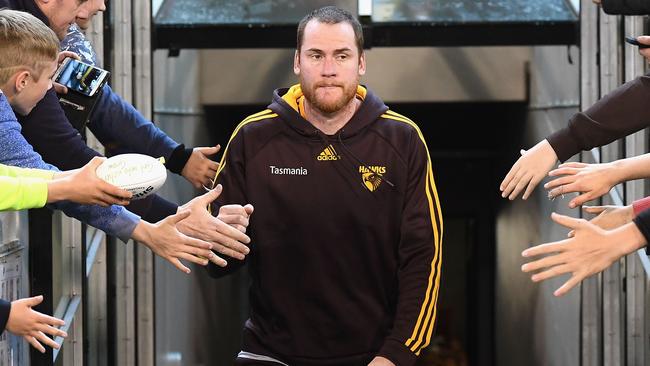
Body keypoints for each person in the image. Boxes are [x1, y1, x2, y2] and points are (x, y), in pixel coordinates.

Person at [208, 7, 442, 366]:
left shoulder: (402, 139)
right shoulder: (252, 137)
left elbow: (423, 257)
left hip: (371, 354)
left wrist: (397, 352)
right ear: (298, 61)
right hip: (270, 352)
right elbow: (217, 262)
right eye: (316, 55)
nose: (329, 69)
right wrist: (220, 238)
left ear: (361, 63)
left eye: (342, 56)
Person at [0, 0, 254, 265]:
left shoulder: (29, 35)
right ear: (23, 79)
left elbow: (39, 179)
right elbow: (45, 175)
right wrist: (161, 223)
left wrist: (175, 158)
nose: (101, 6)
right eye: (49, 81)